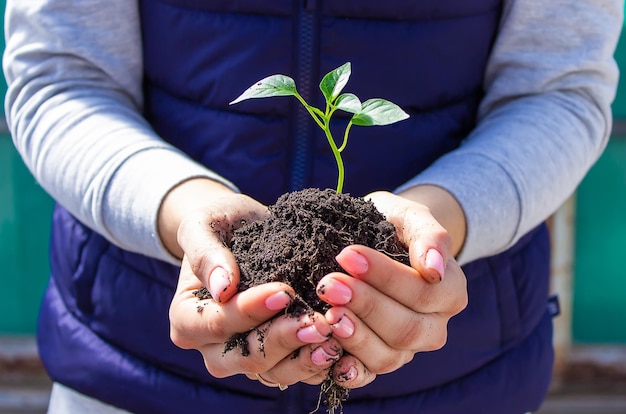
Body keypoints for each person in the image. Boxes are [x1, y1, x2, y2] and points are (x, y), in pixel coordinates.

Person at [3, 0, 622, 413]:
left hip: (463, 375)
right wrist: (184, 210)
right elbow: (60, 75)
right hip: (134, 368)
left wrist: (438, 222)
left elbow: (558, 89)